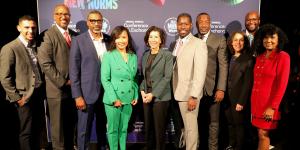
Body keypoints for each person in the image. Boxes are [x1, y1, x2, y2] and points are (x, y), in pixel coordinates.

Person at [0, 15, 44, 150]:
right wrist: (18, 98)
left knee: (38, 130)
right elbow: (4, 78)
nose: (30, 31)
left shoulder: (36, 45)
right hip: (24, 97)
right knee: (26, 132)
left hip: (38, 94)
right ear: (19, 28)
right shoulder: (10, 48)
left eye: (33, 28)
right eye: (26, 28)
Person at [37, 4, 78, 150]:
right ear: (54, 16)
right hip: (56, 91)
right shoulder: (47, 35)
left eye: (66, 14)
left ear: (70, 16)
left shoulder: (74, 35)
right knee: (58, 132)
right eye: (59, 14)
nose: (63, 17)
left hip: (73, 91)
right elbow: (45, 63)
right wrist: (63, 82)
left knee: (70, 128)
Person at [69, 10, 110, 150]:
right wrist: (77, 96)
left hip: (106, 94)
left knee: (102, 128)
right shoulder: (78, 41)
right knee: (83, 130)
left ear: (102, 22)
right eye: (93, 21)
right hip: (86, 94)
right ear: (88, 23)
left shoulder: (108, 40)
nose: (96, 24)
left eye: (99, 21)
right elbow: (74, 71)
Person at [170, 13, 208, 150]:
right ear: (177, 25)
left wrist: (194, 95)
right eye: (180, 23)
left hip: (189, 95)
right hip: (176, 93)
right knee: (185, 128)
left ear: (191, 25)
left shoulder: (199, 44)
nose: (183, 26)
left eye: (186, 24)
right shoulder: (176, 43)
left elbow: (200, 72)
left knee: (191, 128)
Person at [251, 24, 290, 150]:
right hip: (257, 103)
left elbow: (282, 85)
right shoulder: (260, 57)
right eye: (265, 38)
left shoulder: (283, 56)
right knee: (259, 134)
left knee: (263, 134)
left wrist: (272, 107)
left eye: (272, 38)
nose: (268, 41)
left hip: (269, 105)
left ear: (279, 40)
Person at [101, 26, 138, 150]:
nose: (121, 40)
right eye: (118, 38)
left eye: (124, 37)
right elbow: (105, 80)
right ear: (114, 40)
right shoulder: (108, 55)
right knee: (113, 130)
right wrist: (113, 99)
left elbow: (133, 79)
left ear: (128, 39)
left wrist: (135, 95)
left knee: (123, 129)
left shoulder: (133, 56)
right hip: (114, 100)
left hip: (128, 99)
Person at [195, 12, 228, 150]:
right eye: (200, 22)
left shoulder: (219, 40)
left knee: (213, 123)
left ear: (210, 23)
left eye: (206, 21)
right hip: (195, 90)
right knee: (196, 122)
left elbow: (223, 65)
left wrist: (221, 88)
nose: (203, 24)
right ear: (197, 24)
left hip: (213, 88)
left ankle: (212, 148)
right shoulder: (192, 39)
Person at [140, 26, 173, 150]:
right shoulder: (145, 55)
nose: (153, 39)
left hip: (161, 97)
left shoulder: (167, 55)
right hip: (146, 97)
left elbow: (167, 77)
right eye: (151, 37)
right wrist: (142, 91)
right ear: (147, 40)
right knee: (148, 128)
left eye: (156, 37)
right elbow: (144, 77)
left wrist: (152, 94)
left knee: (159, 130)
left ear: (161, 40)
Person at [224, 32, 254, 150]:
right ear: (231, 42)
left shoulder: (248, 59)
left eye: (241, 40)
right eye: (235, 40)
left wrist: (241, 102)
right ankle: (232, 144)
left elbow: (248, 83)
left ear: (245, 43)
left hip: (238, 100)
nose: (238, 43)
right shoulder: (228, 57)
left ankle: (239, 147)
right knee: (230, 124)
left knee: (239, 125)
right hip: (227, 99)